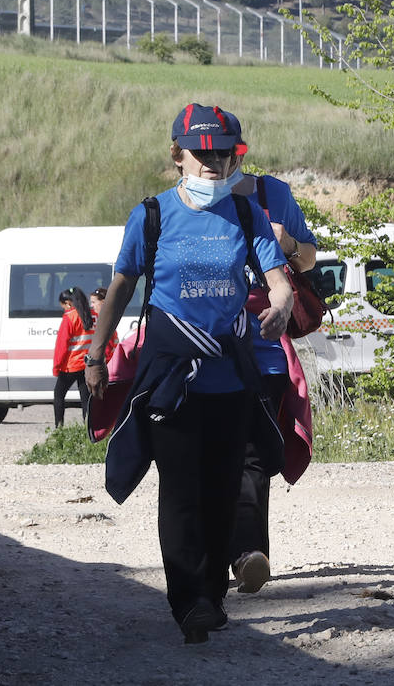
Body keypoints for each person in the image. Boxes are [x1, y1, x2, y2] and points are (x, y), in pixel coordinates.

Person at [84, 103, 294, 644]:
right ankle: (188, 602)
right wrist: (96, 352)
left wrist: (281, 305)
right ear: (177, 155)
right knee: (180, 490)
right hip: (171, 378)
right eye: (201, 153)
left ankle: (212, 595)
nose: (213, 163)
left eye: (223, 153)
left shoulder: (246, 214)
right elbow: (122, 287)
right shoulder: (151, 216)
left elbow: (279, 280)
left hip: (230, 377)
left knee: (224, 489)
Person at [226, 152, 319, 595]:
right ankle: (215, 555)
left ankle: (248, 556)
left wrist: (288, 246)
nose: (217, 160)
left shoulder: (272, 194)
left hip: (263, 349)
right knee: (205, 456)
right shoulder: (181, 203)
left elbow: (309, 260)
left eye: (226, 151)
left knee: (254, 454)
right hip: (202, 350)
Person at [50, 287, 93, 428]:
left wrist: (57, 367)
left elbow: (62, 346)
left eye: (63, 306)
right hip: (87, 363)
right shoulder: (93, 315)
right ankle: (88, 428)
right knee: (86, 398)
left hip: (71, 364)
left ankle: (59, 427)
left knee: (59, 394)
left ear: (68, 303)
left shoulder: (70, 317)